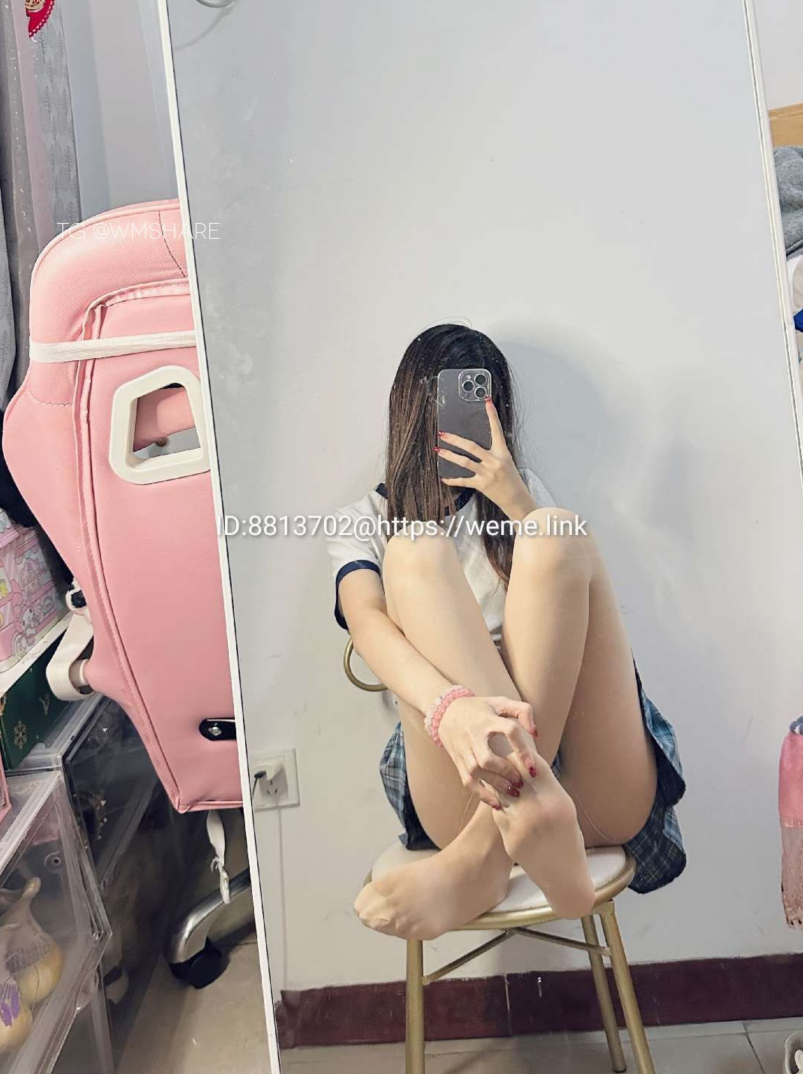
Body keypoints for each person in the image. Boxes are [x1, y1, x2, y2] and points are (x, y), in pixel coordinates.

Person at [326, 324, 685, 941]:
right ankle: (519, 819)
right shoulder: (364, 522)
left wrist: (517, 500)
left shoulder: (525, 497)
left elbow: (567, 577)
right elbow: (366, 624)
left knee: (556, 535)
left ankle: (483, 858)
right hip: (466, 780)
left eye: (484, 406)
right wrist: (451, 710)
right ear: (416, 410)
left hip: (594, 787)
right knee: (413, 549)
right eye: (453, 404)